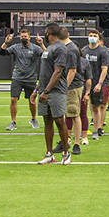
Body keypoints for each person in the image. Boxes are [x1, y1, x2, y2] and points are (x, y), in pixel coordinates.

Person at [36, 23, 76, 165]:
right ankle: (49, 154)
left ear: (49, 33)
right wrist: (37, 90)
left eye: (45, 32)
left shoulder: (60, 48)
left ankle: (66, 154)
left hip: (56, 91)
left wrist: (46, 91)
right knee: (47, 121)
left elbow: (58, 71)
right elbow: (45, 71)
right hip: (44, 91)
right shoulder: (49, 49)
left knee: (59, 120)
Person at [2, 30, 41, 131]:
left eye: (25, 36)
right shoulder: (15, 47)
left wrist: (41, 44)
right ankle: (13, 122)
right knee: (13, 99)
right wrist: (6, 43)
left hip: (31, 78)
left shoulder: (35, 48)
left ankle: (33, 119)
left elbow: (46, 55)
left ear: (29, 37)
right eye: (22, 36)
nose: (24, 38)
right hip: (17, 77)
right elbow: (2, 52)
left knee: (32, 100)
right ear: (20, 38)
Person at [82, 31, 109, 141]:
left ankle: (96, 129)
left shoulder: (103, 51)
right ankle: (82, 131)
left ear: (99, 39)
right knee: (83, 107)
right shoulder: (84, 50)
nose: (92, 37)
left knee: (96, 107)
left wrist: (99, 83)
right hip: (84, 82)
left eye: (94, 36)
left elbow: (104, 69)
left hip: (96, 83)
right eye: (90, 35)